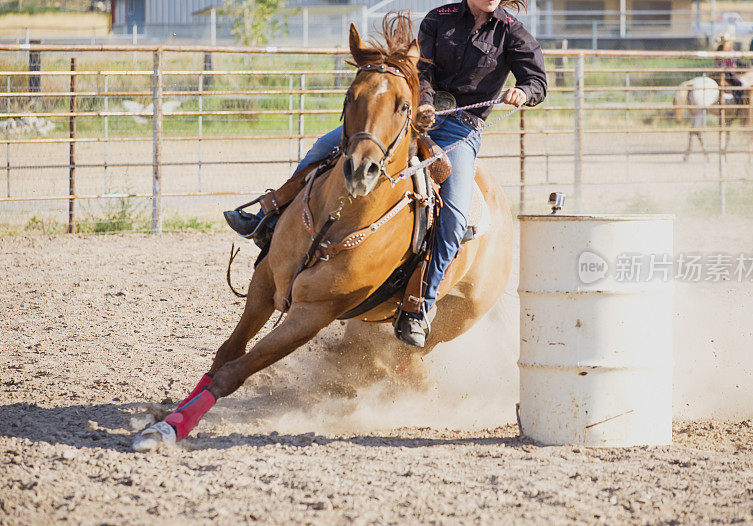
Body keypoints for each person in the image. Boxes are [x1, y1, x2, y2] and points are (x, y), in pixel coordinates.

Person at [225, 1, 547, 347]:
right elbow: (417, 67)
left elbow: (538, 81)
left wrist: (523, 91)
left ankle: (419, 304)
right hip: (408, 114)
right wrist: (422, 99)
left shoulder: (512, 32)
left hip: (461, 128)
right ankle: (268, 217)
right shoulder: (441, 18)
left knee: (454, 213)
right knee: (324, 147)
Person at [713, 33, 744, 105]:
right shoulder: (729, 51)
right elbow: (732, 66)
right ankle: (739, 103)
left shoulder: (718, 50)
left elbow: (716, 64)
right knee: (739, 85)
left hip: (718, 72)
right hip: (727, 73)